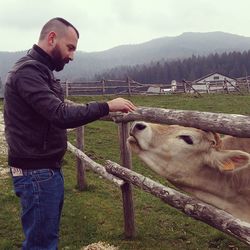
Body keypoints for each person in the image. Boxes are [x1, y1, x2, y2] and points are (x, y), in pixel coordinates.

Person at [4, 17, 136, 250]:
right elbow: (60, 114)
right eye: (70, 47)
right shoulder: (28, 73)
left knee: (44, 240)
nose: (72, 56)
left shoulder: (39, 70)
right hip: (37, 172)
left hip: (43, 169)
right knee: (41, 245)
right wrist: (107, 105)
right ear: (52, 38)